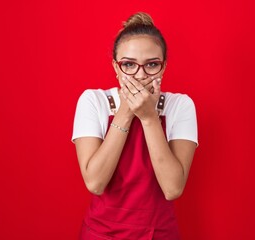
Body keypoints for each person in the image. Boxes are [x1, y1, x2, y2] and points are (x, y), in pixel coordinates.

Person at [72, 12, 198, 240]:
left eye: (151, 64)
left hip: (159, 233)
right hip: (101, 233)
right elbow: (95, 182)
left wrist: (149, 118)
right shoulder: (94, 101)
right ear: (115, 67)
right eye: (129, 64)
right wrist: (127, 110)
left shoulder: (181, 105)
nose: (140, 75)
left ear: (164, 67)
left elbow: (173, 188)